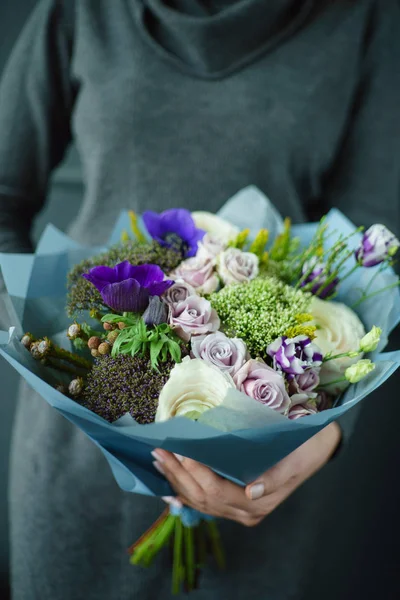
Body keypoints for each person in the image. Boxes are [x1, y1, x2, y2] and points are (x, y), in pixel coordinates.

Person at [0, 1, 399, 598]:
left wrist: (322, 436)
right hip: (78, 434)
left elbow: (376, 248)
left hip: (265, 465)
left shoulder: (362, 20)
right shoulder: (80, 11)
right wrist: (41, 343)